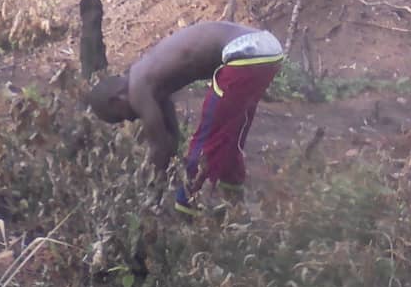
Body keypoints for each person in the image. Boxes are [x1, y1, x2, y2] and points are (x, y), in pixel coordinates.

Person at [85, 21, 284, 207]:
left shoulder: (137, 89)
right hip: (266, 48)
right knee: (228, 137)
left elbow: (159, 147)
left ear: (116, 100)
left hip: (245, 52)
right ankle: (234, 203)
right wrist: (164, 174)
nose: (130, 119)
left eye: (121, 117)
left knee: (205, 139)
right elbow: (170, 140)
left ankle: (187, 207)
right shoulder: (151, 81)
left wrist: (150, 194)